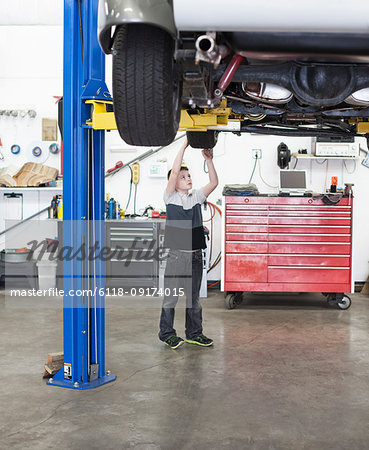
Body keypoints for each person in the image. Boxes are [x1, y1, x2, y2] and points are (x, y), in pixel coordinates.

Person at [159, 138, 219, 348]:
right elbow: (174, 172)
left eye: (189, 175)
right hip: (177, 256)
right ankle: (167, 334)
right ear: (174, 183)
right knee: (171, 299)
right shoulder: (170, 198)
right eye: (183, 177)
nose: (187, 178)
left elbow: (213, 183)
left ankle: (194, 333)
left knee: (193, 299)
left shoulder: (196, 198)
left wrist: (208, 160)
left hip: (194, 256)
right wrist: (184, 145)